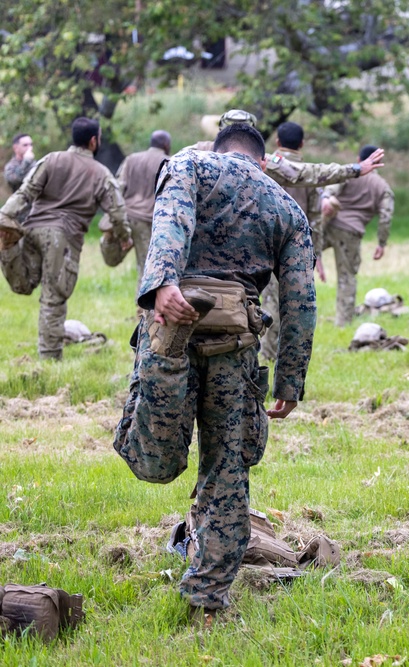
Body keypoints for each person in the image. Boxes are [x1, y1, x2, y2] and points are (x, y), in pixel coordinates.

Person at [112, 123, 316, 623]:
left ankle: (196, 573)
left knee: (154, 458)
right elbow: (300, 302)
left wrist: (162, 285)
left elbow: (170, 225)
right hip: (237, 348)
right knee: (228, 472)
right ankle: (205, 599)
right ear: (263, 162)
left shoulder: (189, 164)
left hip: (172, 326)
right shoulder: (287, 206)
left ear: (219, 149)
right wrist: (290, 379)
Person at [0, 117, 130, 360]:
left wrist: (5, 215)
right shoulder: (100, 173)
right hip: (63, 238)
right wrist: (124, 237)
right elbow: (117, 212)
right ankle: (49, 358)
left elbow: (25, 192)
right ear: (93, 141)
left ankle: (8, 246)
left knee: (24, 284)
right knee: (54, 297)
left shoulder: (50, 159)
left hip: (32, 229)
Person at [188, 110, 386, 189]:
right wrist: (356, 169)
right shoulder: (260, 160)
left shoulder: (193, 154)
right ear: (253, 133)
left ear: (220, 130)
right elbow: (308, 173)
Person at [259, 122, 324, 360]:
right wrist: (315, 251)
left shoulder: (264, 166)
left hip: (266, 243)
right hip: (297, 247)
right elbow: (316, 216)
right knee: (296, 307)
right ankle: (290, 361)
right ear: (302, 143)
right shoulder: (306, 171)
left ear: (277, 142)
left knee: (269, 300)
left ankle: (266, 354)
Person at [319, 144, 394, 327]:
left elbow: (329, 193)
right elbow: (386, 216)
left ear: (359, 160)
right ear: (379, 163)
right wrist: (381, 243)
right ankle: (343, 323)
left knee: (298, 260)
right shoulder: (383, 187)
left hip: (328, 226)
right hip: (351, 234)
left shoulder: (350, 173)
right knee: (347, 278)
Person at [117, 130, 172, 282]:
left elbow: (118, 188)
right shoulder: (169, 162)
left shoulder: (131, 159)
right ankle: (143, 305)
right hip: (149, 222)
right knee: (148, 268)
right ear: (167, 145)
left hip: (127, 218)